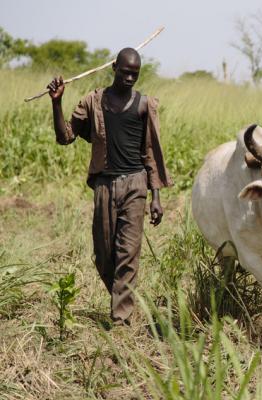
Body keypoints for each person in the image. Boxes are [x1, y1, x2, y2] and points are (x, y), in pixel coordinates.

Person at [47, 48, 173, 325]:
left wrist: (156, 196)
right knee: (104, 257)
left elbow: (151, 152)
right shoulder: (93, 102)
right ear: (114, 67)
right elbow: (65, 136)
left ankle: (121, 321)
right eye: (125, 72)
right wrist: (57, 103)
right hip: (104, 185)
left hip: (136, 185)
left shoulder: (144, 105)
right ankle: (121, 298)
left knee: (128, 254)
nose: (129, 78)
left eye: (135, 74)